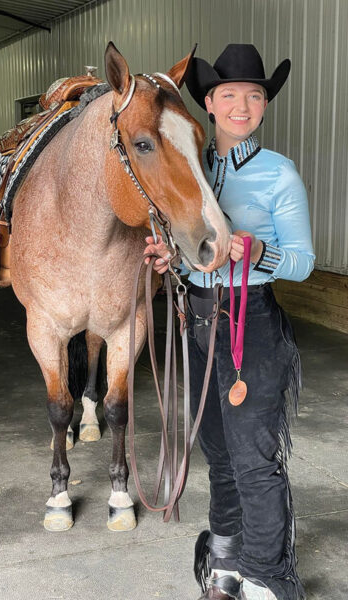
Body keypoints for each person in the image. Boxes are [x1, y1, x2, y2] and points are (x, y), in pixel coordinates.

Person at [144, 44, 315, 600]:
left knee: (255, 461)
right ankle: (225, 562)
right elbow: (195, 245)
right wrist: (173, 257)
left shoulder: (278, 174)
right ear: (210, 104)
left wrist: (255, 250)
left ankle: (267, 575)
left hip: (250, 323)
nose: (242, 104)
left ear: (264, 104)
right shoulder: (190, 168)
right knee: (218, 451)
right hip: (196, 320)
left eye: (255, 95)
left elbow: (303, 262)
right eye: (229, 94)